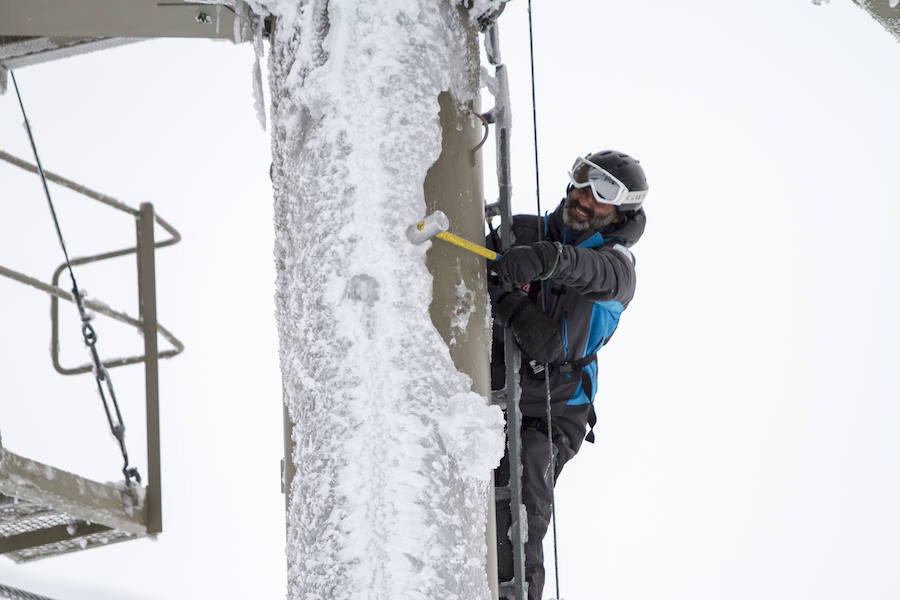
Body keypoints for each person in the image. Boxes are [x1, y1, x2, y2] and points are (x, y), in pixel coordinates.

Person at [488, 150, 648, 599]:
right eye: (583, 182)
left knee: (518, 516)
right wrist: (509, 299)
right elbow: (473, 272)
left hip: (552, 411)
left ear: (621, 214)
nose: (584, 198)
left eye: (604, 195)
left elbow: (593, 274)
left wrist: (545, 260)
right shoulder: (518, 232)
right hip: (491, 387)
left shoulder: (618, 270)